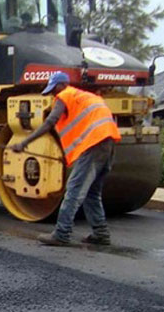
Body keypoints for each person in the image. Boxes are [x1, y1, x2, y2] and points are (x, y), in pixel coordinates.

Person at [11, 72, 121, 246]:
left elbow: (50, 122)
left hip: (93, 144)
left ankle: (62, 233)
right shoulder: (86, 97)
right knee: (92, 192)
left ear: (61, 85)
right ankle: (101, 233)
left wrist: (24, 143)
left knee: (74, 190)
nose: (54, 95)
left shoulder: (65, 95)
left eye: (54, 90)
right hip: (107, 144)